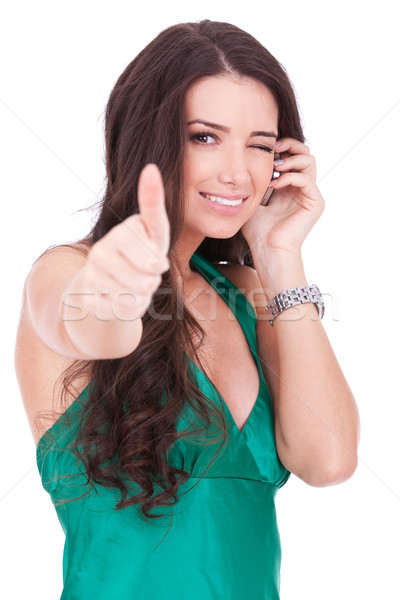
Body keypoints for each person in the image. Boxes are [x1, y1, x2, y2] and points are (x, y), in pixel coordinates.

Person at [15, 19, 360, 600]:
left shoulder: (250, 292)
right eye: (205, 136)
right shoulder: (66, 272)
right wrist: (116, 291)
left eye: (259, 145)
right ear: (150, 141)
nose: (237, 172)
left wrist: (280, 255)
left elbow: (328, 460)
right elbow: (84, 319)